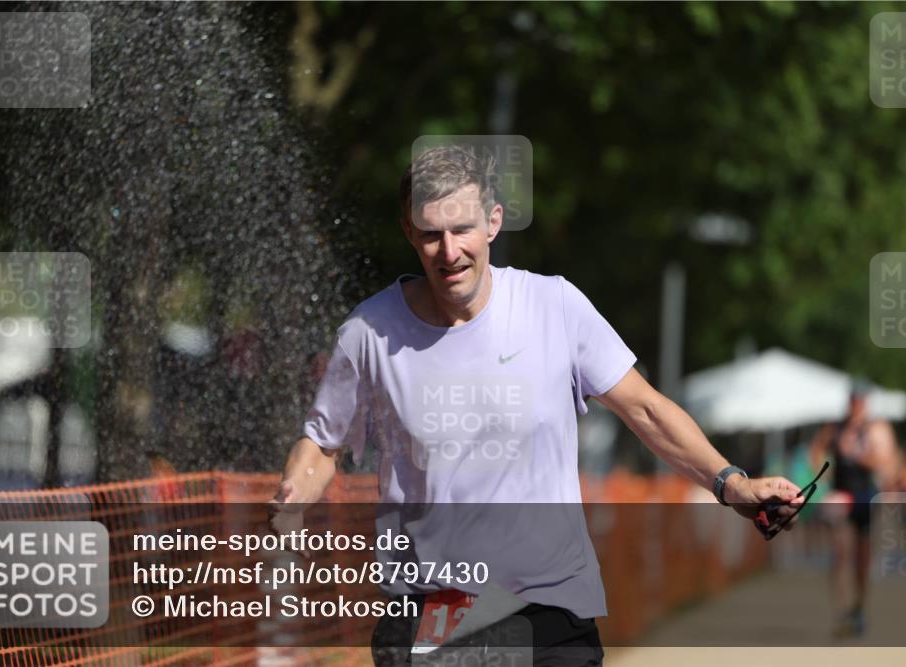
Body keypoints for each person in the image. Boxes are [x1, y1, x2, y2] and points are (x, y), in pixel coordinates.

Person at [269, 145, 807, 665]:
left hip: (549, 603)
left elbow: (645, 409)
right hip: (433, 607)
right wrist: (294, 500)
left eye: (462, 230)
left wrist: (731, 483)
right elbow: (324, 442)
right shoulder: (369, 333)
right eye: (431, 234)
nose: (449, 250)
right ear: (410, 232)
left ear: (493, 223)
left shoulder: (554, 306)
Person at [809, 381, 900, 638]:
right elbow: (816, 450)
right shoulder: (836, 427)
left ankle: (858, 607)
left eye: (859, 401)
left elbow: (887, 462)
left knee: (862, 558)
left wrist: (859, 454)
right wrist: (822, 477)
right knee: (839, 553)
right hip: (841, 496)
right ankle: (841, 611)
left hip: (865, 497)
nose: (855, 406)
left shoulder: (876, 428)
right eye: (852, 401)